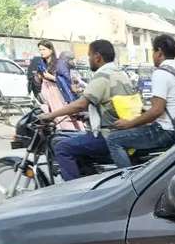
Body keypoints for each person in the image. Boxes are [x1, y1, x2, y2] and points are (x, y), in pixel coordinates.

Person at [38, 40, 136, 181]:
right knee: (74, 139)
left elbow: (81, 103)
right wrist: (87, 115)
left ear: (97, 57)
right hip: (123, 131)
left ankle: (75, 192)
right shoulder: (120, 72)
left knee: (62, 147)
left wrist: (50, 115)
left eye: (89, 55)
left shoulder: (103, 75)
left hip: (108, 135)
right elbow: (110, 104)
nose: (88, 59)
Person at [105, 34, 175, 168]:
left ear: (159, 52)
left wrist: (129, 124)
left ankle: (128, 183)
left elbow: (157, 110)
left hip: (164, 131)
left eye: (153, 51)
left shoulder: (161, 73)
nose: (152, 55)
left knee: (113, 139)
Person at [34, 40, 81, 131]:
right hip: (46, 92)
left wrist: (51, 77)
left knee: (62, 114)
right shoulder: (41, 64)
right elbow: (38, 80)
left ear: (51, 50)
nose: (41, 52)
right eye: (40, 50)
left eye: (43, 49)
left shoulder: (58, 63)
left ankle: (69, 132)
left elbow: (66, 80)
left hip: (57, 92)